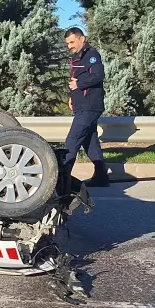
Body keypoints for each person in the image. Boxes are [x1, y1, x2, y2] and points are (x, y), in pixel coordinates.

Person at [64, 27, 109, 188]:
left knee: (72, 141)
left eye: (72, 42)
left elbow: (98, 76)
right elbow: (76, 78)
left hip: (90, 106)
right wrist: (72, 97)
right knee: (90, 142)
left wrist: (79, 85)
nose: (70, 46)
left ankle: (63, 180)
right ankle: (101, 177)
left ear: (82, 39)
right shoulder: (78, 56)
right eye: (67, 43)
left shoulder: (92, 55)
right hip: (81, 105)